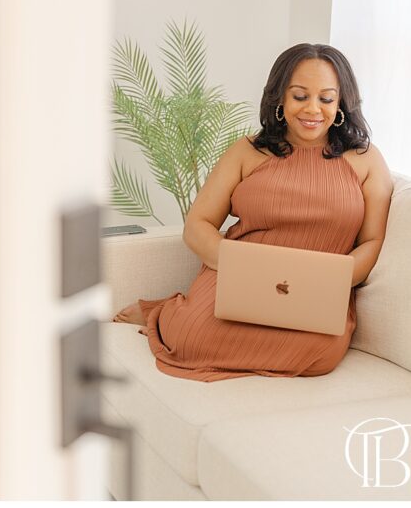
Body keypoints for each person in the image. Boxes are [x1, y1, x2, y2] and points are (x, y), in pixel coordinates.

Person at [114, 44, 392, 381]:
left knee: (320, 356)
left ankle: (171, 312)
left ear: (342, 103)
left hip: (316, 296)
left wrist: (334, 280)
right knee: (191, 339)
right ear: (279, 99)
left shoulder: (366, 159)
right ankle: (168, 312)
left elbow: (373, 240)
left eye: (326, 98)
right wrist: (240, 267)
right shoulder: (246, 152)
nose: (313, 109)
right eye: (300, 96)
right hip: (236, 280)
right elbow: (197, 225)